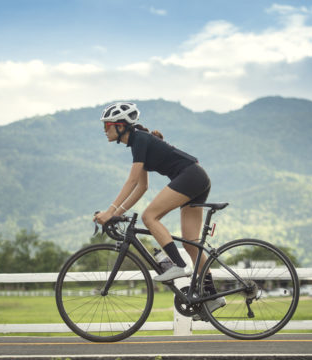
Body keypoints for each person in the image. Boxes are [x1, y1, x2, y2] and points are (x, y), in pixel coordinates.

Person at [93, 101, 225, 315]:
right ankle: (211, 296)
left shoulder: (140, 140)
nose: (104, 130)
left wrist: (109, 211)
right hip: (197, 178)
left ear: (120, 126)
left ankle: (177, 265)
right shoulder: (139, 142)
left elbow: (132, 181)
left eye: (107, 126)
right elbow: (142, 187)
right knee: (192, 244)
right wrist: (116, 214)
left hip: (190, 177)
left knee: (149, 217)